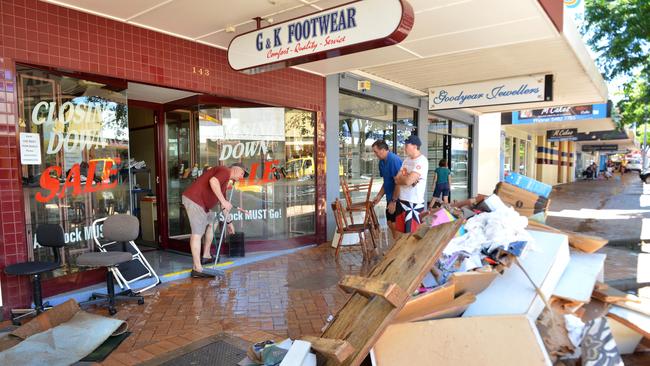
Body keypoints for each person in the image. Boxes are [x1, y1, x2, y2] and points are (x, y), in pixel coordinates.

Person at [181, 163, 249, 278]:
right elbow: (213, 181)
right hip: (195, 201)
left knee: (213, 220)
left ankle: (206, 255)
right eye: (242, 173)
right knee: (197, 233)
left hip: (202, 205)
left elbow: (224, 206)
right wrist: (223, 201)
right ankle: (197, 268)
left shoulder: (224, 181)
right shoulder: (225, 170)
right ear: (236, 169)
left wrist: (229, 223)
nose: (241, 177)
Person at [394, 135, 428, 233]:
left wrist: (404, 180)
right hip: (402, 201)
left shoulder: (422, 161)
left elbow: (407, 181)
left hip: (414, 203)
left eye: (406, 145)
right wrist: (405, 179)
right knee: (400, 233)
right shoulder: (406, 160)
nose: (404, 148)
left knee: (412, 235)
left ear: (414, 146)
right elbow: (397, 178)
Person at [371, 140, 403, 239]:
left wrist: (393, 202)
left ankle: (399, 251)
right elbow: (387, 182)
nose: (375, 154)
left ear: (383, 150)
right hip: (390, 197)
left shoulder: (393, 160)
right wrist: (379, 196)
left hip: (399, 198)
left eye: (376, 151)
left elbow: (399, 183)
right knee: (390, 223)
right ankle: (396, 248)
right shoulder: (381, 162)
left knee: (396, 225)